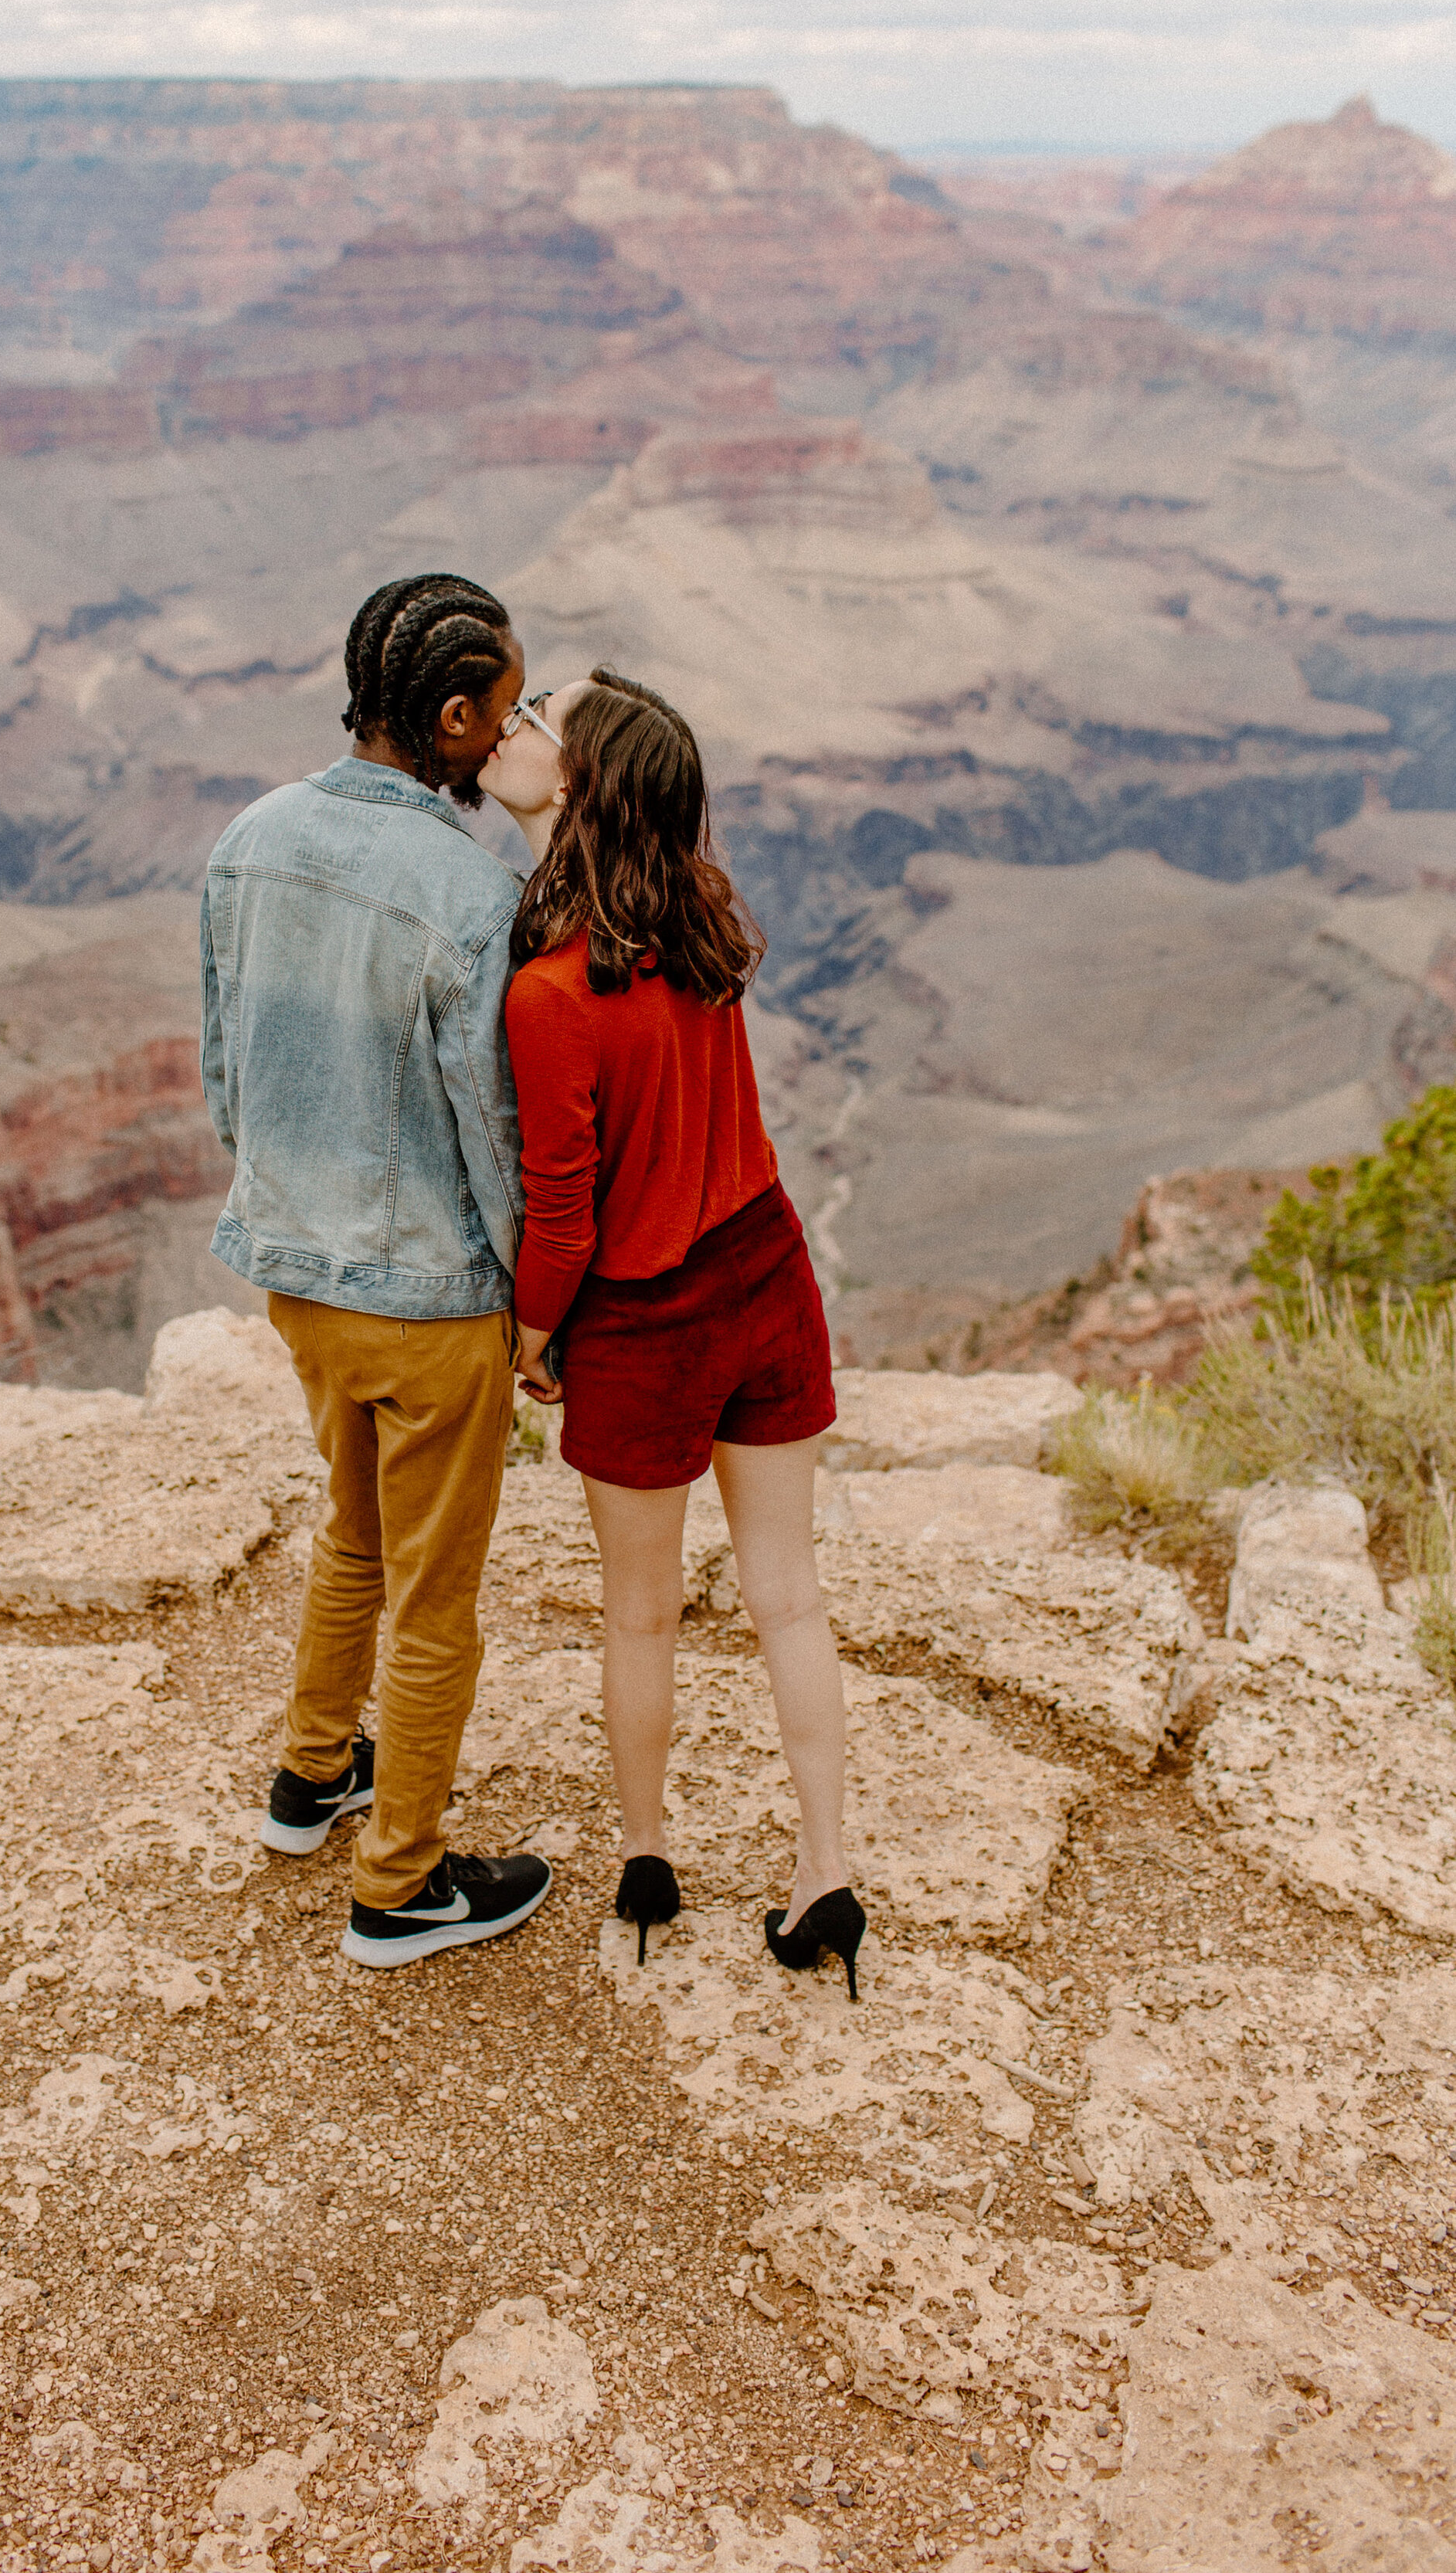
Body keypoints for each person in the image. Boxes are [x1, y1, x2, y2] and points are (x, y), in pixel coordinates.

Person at [478, 668, 864, 1991]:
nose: (513, 731)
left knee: (641, 1618)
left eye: (540, 726)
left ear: (579, 783)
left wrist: (534, 1337)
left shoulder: (547, 995)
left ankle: (647, 1857)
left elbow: (565, 1217)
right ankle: (826, 1869)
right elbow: (595, 879)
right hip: (766, 1273)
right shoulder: (696, 915)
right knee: (788, 1599)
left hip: (645, 1321)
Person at [199, 574, 553, 1970]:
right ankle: (399, 1883)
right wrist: (537, 1309)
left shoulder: (248, 839)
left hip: (300, 1278)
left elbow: (229, 1076)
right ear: (454, 716)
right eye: (505, 709)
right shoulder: (473, 889)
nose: (511, 732)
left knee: (351, 1528)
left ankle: (310, 1778)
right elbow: (493, 1128)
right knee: (436, 1597)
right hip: (430, 1300)